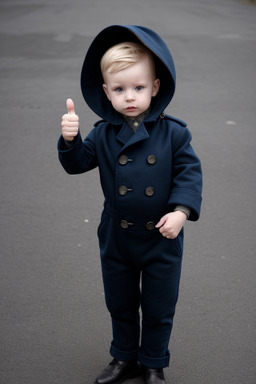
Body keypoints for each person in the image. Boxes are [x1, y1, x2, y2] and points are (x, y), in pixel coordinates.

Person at [58, 25, 202, 384]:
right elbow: (77, 164)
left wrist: (180, 212)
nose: (130, 97)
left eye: (139, 87)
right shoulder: (103, 133)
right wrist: (70, 139)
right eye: (120, 89)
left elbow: (189, 174)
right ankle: (124, 358)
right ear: (106, 93)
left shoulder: (175, 133)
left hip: (161, 236)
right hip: (117, 235)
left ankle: (153, 362)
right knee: (120, 303)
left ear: (155, 87)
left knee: (159, 305)